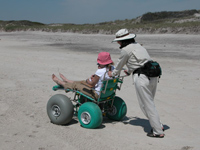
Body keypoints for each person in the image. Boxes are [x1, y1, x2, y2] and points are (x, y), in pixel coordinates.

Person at [108, 29, 165, 138]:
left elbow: (119, 65)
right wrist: (129, 71)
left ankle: (158, 131)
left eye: (119, 41)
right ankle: (159, 125)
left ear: (123, 41)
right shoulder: (139, 46)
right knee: (149, 103)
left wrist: (112, 74)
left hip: (142, 77)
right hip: (153, 75)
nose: (118, 43)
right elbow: (139, 61)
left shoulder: (125, 50)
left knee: (146, 105)